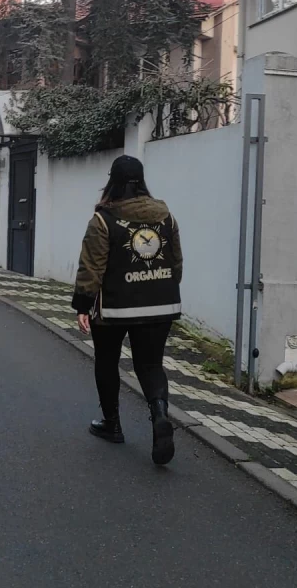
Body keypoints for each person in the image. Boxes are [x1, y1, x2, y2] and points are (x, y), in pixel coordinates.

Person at [71, 155, 183, 465]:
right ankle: (159, 414)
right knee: (151, 365)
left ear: (113, 182)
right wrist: (162, 286)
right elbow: (176, 262)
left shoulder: (103, 220)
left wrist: (83, 304)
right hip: (160, 303)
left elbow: (91, 267)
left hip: (115, 308)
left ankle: (112, 424)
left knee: (107, 361)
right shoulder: (166, 217)